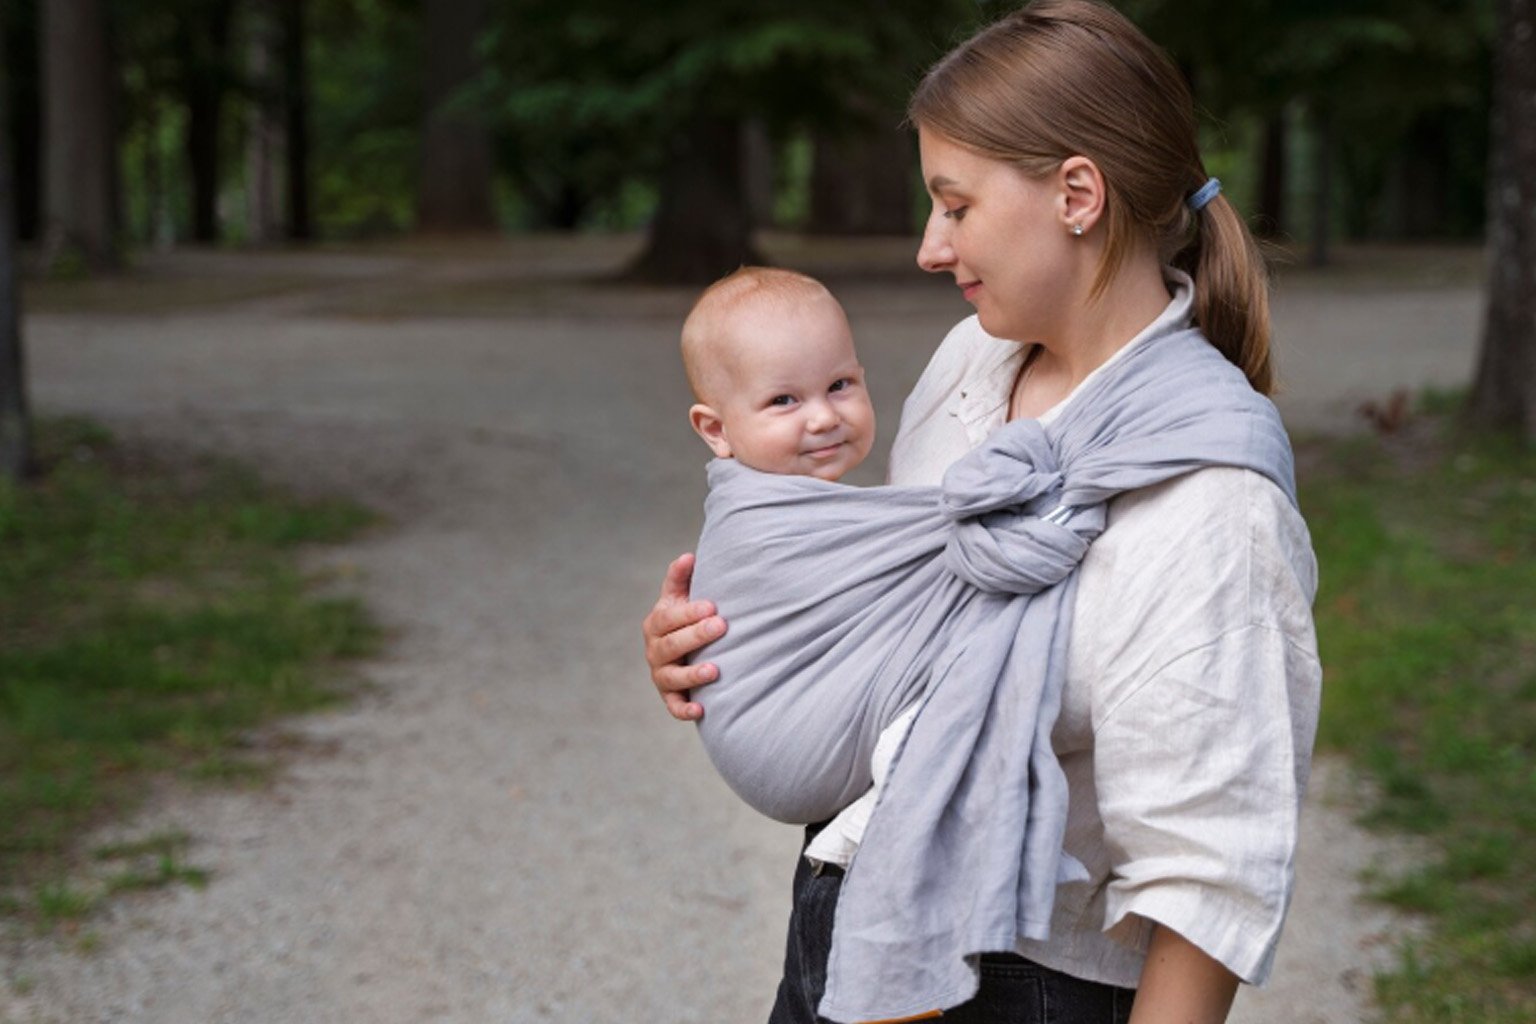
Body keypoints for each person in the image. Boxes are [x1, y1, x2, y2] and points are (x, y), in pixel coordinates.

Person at [643, 2, 1321, 1022]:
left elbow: (1208, 881)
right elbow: (908, 619)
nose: (929, 246)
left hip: (1023, 981)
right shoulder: (975, 364)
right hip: (852, 915)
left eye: (954, 206)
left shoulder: (1212, 498)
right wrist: (734, 637)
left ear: (1078, 195)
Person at [680, 266, 875, 483]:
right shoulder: (764, 514)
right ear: (716, 430)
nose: (825, 418)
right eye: (782, 400)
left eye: (838, 385)